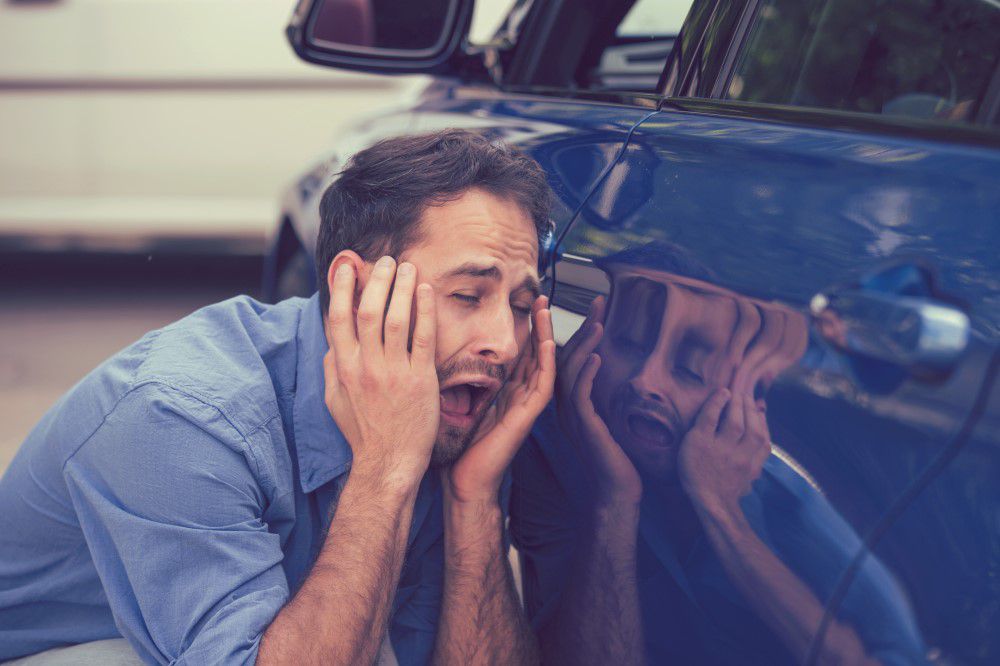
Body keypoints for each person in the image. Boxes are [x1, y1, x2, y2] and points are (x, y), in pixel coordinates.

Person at [0, 129, 555, 665]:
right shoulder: (180, 416)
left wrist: (472, 502)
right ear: (355, 289)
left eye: (522, 306)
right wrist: (385, 468)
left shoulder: (446, 412)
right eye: (466, 295)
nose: (504, 344)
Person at [510, 244, 927, 665]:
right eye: (631, 343)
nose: (645, 381)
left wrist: (722, 513)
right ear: (587, 343)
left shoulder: (786, 503)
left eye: (690, 368)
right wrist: (614, 502)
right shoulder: (553, 445)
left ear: (743, 400)